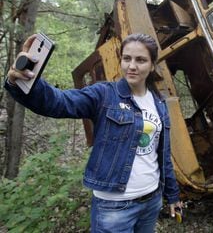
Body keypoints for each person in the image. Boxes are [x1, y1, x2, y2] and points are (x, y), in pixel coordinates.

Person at [5, 33, 182, 233]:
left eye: (140, 60)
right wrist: (22, 81)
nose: (132, 66)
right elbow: (59, 102)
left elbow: (163, 155)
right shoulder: (104, 94)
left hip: (151, 201)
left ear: (152, 65)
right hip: (114, 208)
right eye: (127, 59)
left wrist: (173, 196)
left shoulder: (158, 103)